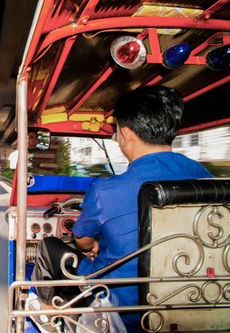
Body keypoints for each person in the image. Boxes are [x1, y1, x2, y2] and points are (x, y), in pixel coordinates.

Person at [30, 85, 212, 332]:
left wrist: (94, 246)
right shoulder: (208, 179)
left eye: (116, 133)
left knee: (49, 246)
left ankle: (51, 315)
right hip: (194, 300)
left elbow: (82, 240)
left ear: (125, 134)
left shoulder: (106, 190)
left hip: (119, 308)